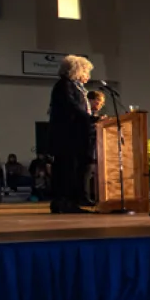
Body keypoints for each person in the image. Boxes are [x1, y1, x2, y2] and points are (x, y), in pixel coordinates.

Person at [48, 55, 97, 213]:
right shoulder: (64, 85)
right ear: (77, 69)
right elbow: (72, 107)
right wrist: (91, 118)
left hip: (75, 136)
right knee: (67, 170)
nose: (87, 74)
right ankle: (65, 203)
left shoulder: (74, 86)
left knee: (73, 169)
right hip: (67, 137)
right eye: (85, 70)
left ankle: (72, 202)